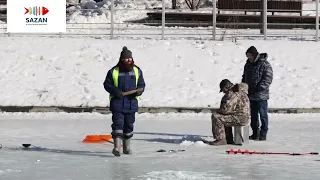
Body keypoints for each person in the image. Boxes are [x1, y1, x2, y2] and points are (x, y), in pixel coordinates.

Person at [103, 46, 146, 156]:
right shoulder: (113, 71)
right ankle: (117, 148)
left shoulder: (137, 70)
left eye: (130, 58)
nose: (129, 60)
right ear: (122, 59)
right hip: (118, 103)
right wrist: (115, 91)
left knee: (129, 125)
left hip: (131, 104)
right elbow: (107, 84)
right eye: (126, 59)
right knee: (118, 125)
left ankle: (127, 148)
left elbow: (141, 84)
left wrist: (140, 91)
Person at [241, 46, 273, 141]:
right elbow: (244, 77)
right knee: (253, 115)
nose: (248, 58)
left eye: (250, 55)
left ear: (254, 55)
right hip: (250, 95)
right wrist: (243, 87)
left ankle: (263, 133)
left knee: (263, 115)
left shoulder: (264, 64)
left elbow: (268, 78)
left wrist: (259, 88)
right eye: (247, 56)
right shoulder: (247, 65)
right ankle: (255, 133)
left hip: (261, 95)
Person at [210, 79, 251, 146]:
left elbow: (226, 109)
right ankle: (228, 139)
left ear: (226, 87)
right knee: (225, 117)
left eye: (223, 90)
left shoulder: (232, 93)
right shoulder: (240, 90)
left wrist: (218, 111)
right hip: (245, 117)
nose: (223, 92)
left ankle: (220, 139)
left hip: (240, 118)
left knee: (216, 116)